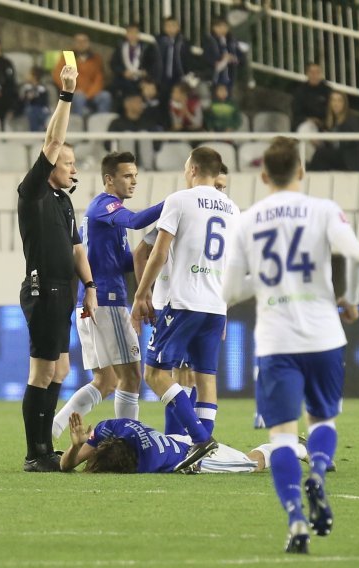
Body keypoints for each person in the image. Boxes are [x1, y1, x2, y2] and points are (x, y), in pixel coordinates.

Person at [222, 136, 359, 554]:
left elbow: (230, 290)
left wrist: (265, 283)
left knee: (283, 437)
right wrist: (351, 299)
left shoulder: (248, 220)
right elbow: (357, 256)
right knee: (322, 423)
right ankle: (318, 471)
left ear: (264, 175)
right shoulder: (323, 211)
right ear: (301, 171)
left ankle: (296, 521)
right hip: (323, 334)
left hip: (276, 340)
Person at [131, 147, 239, 473]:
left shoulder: (179, 200)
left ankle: (199, 440)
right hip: (215, 304)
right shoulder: (234, 209)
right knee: (204, 377)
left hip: (181, 302)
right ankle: (198, 453)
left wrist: (140, 294)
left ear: (191, 168)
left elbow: (157, 251)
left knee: (154, 374)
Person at [16, 64, 97, 473]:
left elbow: (78, 248)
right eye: (69, 163)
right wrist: (67, 95)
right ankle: (37, 452)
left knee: (61, 368)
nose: (74, 169)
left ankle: (45, 447)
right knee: (43, 369)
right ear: (51, 168)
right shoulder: (33, 192)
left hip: (62, 290)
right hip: (43, 288)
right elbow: (52, 140)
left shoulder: (64, 202)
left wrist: (89, 286)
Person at [51, 151, 164, 440]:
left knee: (105, 380)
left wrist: (153, 245)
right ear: (109, 179)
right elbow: (137, 220)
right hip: (107, 303)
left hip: (90, 303)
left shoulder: (104, 217)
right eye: (127, 176)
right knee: (132, 377)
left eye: (135, 176)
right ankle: (127, 442)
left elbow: (125, 262)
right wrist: (175, 205)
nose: (134, 182)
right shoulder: (104, 206)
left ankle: (53, 427)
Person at [60, 412, 308, 474]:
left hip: (198, 458)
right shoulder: (110, 427)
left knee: (252, 464)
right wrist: (76, 445)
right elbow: (66, 464)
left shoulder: (144, 464)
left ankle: (292, 448)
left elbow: (65, 467)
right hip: (180, 441)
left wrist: (75, 449)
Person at [52, 33, 112, 117]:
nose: (81, 44)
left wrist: (88, 95)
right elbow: (57, 75)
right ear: (74, 43)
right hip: (74, 92)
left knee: (105, 96)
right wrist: (70, 89)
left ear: (89, 43)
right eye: (78, 41)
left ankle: (100, 124)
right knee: (78, 97)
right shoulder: (68, 56)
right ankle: (79, 125)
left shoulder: (96, 58)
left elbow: (99, 79)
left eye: (84, 41)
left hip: (92, 94)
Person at [308, 91, 359, 172]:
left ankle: (308, 176)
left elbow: (350, 142)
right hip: (338, 157)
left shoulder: (350, 120)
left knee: (321, 154)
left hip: (348, 160)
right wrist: (319, 141)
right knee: (319, 155)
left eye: (339, 100)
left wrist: (333, 138)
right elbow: (327, 142)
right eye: (333, 100)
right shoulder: (331, 121)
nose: (336, 104)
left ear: (344, 104)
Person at [109, 22, 158, 104]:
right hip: (123, 78)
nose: (132, 35)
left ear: (139, 34)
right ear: (126, 34)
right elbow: (113, 64)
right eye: (130, 32)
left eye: (135, 32)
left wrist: (144, 74)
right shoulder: (120, 47)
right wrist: (123, 72)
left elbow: (151, 66)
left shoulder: (145, 49)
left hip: (140, 79)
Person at [154, 17, 192, 103]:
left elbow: (187, 60)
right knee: (163, 99)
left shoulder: (183, 42)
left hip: (178, 76)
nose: (171, 28)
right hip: (162, 78)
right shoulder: (159, 42)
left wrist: (186, 74)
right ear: (164, 28)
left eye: (173, 26)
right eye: (168, 26)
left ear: (178, 28)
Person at [203, 18, 243, 93]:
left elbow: (241, 57)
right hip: (214, 76)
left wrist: (233, 58)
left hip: (229, 77)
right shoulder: (210, 40)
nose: (223, 29)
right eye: (220, 27)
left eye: (225, 27)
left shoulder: (232, 41)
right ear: (214, 28)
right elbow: (206, 57)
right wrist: (220, 60)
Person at [292, 62, 331, 131]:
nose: (314, 75)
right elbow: (296, 112)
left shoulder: (327, 90)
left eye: (317, 72)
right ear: (307, 74)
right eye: (312, 72)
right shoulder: (300, 91)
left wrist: (322, 123)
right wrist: (309, 120)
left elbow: (331, 111)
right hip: (304, 124)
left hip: (324, 125)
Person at [20, 66, 50, 132]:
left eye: (29, 74)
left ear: (34, 77)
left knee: (41, 112)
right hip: (30, 108)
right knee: (31, 111)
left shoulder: (42, 88)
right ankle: (35, 131)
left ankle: (43, 129)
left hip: (41, 108)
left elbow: (44, 101)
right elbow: (23, 100)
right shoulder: (27, 87)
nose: (27, 75)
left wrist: (34, 97)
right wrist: (28, 98)